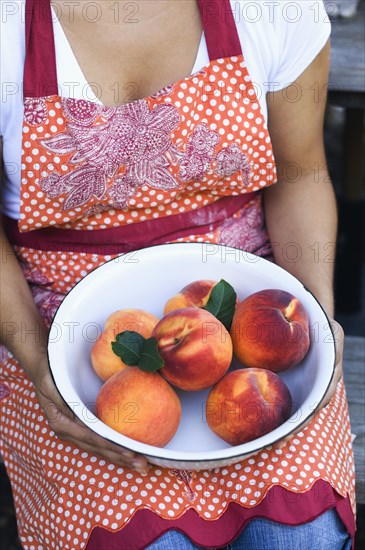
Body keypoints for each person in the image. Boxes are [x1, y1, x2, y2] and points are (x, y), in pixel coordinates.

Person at [0, 0, 356, 548]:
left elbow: (301, 173)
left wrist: (314, 311)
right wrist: (41, 368)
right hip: (59, 332)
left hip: (247, 313)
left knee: (301, 536)